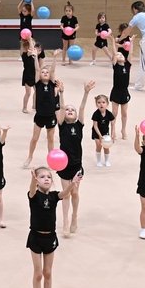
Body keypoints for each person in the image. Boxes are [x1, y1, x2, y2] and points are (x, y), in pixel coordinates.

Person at [27, 167, 82, 288]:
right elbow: (31, 191)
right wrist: (32, 180)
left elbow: (64, 194)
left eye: (49, 177)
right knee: (38, 273)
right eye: (42, 177)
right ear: (37, 180)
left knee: (48, 273)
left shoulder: (53, 196)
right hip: (35, 237)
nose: (46, 179)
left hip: (50, 237)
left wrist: (73, 184)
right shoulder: (34, 195)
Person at [56, 81, 95, 236]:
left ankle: (74, 217)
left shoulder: (79, 125)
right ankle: (65, 222)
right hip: (63, 165)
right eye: (68, 110)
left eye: (73, 110)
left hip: (76, 166)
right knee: (65, 194)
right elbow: (62, 107)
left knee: (75, 193)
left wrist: (86, 92)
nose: (70, 110)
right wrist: (62, 93)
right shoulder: (62, 125)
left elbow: (82, 107)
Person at [24, 42, 61, 167]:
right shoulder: (38, 84)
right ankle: (30, 157)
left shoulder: (52, 84)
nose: (45, 73)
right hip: (40, 115)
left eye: (47, 72)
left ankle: (51, 160)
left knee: (51, 139)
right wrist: (35, 57)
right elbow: (37, 69)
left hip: (51, 116)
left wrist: (55, 57)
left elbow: (53, 69)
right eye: (43, 72)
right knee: (35, 138)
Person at [108, 35, 131, 140]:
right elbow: (113, 53)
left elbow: (130, 53)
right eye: (118, 54)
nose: (120, 55)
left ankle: (123, 130)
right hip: (116, 91)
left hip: (124, 92)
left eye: (121, 54)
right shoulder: (115, 66)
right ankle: (113, 130)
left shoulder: (127, 66)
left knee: (124, 113)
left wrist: (132, 42)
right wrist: (113, 41)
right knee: (115, 113)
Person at [20, 38, 44, 113]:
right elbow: (31, 49)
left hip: (35, 74)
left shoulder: (36, 54)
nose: (33, 45)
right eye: (32, 44)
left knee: (37, 91)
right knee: (28, 93)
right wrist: (30, 39)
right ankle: (24, 107)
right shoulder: (26, 54)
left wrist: (41, 71)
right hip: (28, 74)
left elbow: (41, 61)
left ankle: (35, 105)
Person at [91, 95, 115, 167]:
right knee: (99, 146)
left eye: (103, 102)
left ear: (107, 104)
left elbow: (113, 124)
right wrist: (99, 135)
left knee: (106, 147)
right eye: (99, 102)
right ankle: (98, 161)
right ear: (96, 104)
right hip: (97, 133)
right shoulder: (96, 114)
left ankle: (107, 161)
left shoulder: (109, 114)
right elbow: (95, 125)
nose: (101, 104)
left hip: (105, 133)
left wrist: (112, 134)